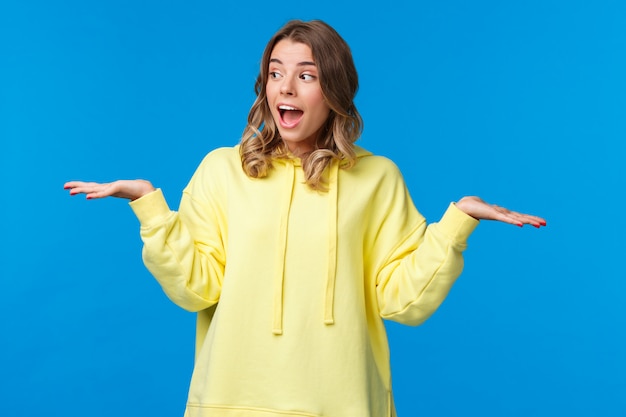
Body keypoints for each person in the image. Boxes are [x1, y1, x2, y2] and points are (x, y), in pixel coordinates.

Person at [64, 19, 545, 417]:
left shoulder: (376, 178)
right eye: (275, 73)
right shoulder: (221, 169)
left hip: (345, 405)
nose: (285, 87)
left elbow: (404, 301)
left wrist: (457, 223)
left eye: (306, 75)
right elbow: (197, 289)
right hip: (230, 403)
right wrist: (150, 207)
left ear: (333, 90)